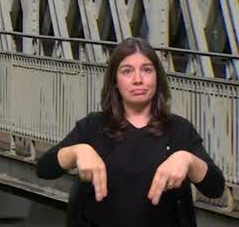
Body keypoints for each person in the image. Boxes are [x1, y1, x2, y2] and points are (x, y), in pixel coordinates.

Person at [36, 37, 224, 226]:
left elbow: (216, 188)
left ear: (157, 78)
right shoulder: (92, 126)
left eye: (147, 70)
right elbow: (44, 169)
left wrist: (189, 160)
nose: (138, 79)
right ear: (115, 81)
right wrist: (76, 151)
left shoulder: (179, 130)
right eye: (127, 71)